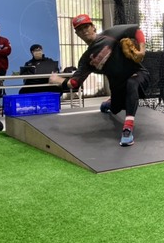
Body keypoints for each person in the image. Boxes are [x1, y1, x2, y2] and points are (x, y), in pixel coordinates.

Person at [49, 14, 150, 147]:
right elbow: (74, 83)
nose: (84, 31)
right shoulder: (86, 59)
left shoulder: (111, 34)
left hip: (138, 74)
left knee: (132, 83)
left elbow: (136, 31)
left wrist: (142, 50)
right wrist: (57, 80)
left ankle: (127, 129)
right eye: (80, 29)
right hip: (117, 85)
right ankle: (109, 103)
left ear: (93, 27)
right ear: (77, 34)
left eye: (86, 27)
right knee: (115, 108)